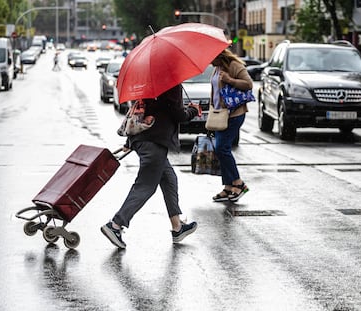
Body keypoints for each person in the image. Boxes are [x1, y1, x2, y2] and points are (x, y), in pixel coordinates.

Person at [101, 85, 201, 249]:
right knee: (145, 186)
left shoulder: (149, 82)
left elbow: (143, 108)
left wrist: (130, 141)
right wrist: (192, 110)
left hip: (144, 139)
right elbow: (178, 115)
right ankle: (116, 225)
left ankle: (177, 227)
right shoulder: (171, 84)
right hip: (154, 143)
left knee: (169, 179)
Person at [210, 49, 253, 202]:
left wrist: (230, 80)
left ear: (219, 55)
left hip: (234, 114)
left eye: (211, 58)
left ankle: (238, 183)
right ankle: (228, 187)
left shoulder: (234, 66)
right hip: (220, 114)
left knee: (222, 148)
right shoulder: (217, 69)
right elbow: (215, 92)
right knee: (220, 149)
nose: (209, 61)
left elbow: (248, 84)